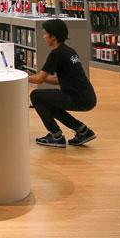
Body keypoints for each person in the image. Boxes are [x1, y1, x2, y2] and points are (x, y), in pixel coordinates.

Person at [27, 18, 97, 147]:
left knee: (36, 96)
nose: (43, 37)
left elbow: (39, 80)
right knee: (48, 101)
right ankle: (83, 131)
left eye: (45, 34)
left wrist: (22, 76)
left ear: (53, 36)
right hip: (87, 97)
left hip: (76, 97)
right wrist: (32, 76)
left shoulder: (56, 54)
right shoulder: (69, 51)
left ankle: (56, 136)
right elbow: (58, 79)